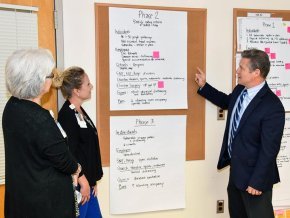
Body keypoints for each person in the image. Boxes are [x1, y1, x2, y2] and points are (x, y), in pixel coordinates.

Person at [195, 49, 285, 218]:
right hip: (236, 175)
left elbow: (269, 150)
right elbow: (226, 101)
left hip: (255, 181)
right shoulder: (240, 90)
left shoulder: (272, 107)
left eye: (241, 68)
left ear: (256, 72)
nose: (237, 71)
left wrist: (257, 182)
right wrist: (204, 86)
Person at [2, 48, 82, 218]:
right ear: (38, 81)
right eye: (49, 75)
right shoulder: (39, 118)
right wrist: (77, 168)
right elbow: (63, 160)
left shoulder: (11, 108)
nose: (52, 79)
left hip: (21, 199)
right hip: (46, 204)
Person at [55, 66, 103, 218]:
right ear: (76, 90)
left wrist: (93, 179)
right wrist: (83, 182)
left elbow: (88, 147)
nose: (91, 87)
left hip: (89, 183)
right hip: (80, 186)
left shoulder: (79, 111)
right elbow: (70, 153)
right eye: (88, 84)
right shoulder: (66, 115)